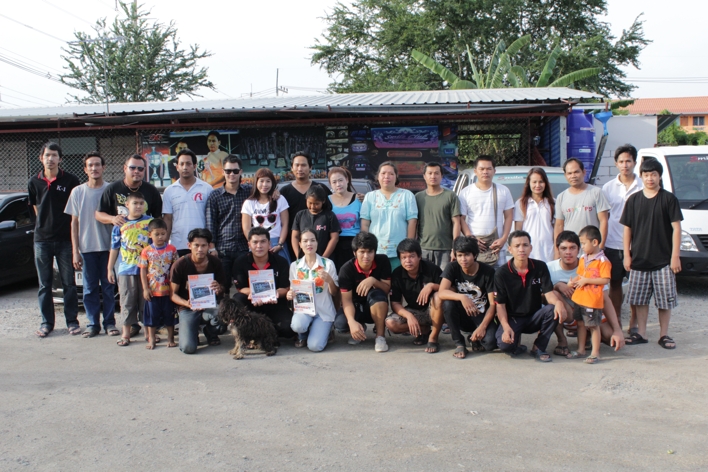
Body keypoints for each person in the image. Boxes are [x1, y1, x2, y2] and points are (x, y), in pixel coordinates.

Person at [96, 154, 163, 338]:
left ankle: (151, 329)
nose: (136, 171)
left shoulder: (151, 191)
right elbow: (98, 214)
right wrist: (113, 219)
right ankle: (130, 327)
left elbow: (158, 221)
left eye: (140, 168)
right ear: (125, 168)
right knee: (127, 297)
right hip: (125, 260)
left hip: (146, 261)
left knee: (146, 297)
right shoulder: (112, 189)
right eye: (133, 167)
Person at [621, 159, 683, 349]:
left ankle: (664, 335)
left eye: (653, 174)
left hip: (664, 260)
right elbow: (627, 229)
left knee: (665, 301)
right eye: (646, 175)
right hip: (639, 259)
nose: (650, 178)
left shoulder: (669, 199)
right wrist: (627, 255)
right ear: (641, 176)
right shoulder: (633, 200)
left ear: (659, 176)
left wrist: (675, 256)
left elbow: (677, 228)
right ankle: (641, 333)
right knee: (639, 300)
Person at [29, 142, 81, 338]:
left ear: (60, 158)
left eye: (54, 155)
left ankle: (72, 322)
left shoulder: (71, 180)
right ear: (41, 158)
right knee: (45, 284)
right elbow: (36, 208)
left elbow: (75, 211)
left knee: (69, 283)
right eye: (47, 155)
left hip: (65, 240)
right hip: (41, 240)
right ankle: (46, 323)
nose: (50, 159)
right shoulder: (34, 182)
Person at [547, 231, 625, 356]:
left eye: (572, 248)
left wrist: (617, 330)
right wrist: (557, 286)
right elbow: (541, 297)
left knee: (610, 338)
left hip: (590, 309)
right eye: (564, 248)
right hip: (567, 315)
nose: (568, 252)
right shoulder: (549, 268)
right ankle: (562, 341)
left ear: (579, 249)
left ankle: (589, 338)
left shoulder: (591, 265)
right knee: (553, 297)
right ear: (558, 249)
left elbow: (605, 299)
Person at [64, 151, 116, 338]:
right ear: (85, 169)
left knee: (108, 288)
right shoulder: (78, 192)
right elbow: (74, 223)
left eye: (97, 164)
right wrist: (75, 251)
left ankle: (110, 323)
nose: (94, 168)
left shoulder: (111, 190)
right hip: (87, 249)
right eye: (90, 165)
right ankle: (93, 324)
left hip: (109, 249)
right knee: (89, 289)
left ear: (103, 167)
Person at [494, 231, 567, 362]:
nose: (521, 249)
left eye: (525, 245)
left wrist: (559, 303)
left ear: (531, 247)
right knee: (505, 345)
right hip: (513, 318)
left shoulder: (540, 266)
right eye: (517, 246)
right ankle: (516, 345)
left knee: (552, 309)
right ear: (510, 249)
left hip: (534, 317)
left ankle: (538, 347)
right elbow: (500, 305)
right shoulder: (501, 273)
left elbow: (549, 293)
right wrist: (506, 327)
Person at [602, 144, 643, 331]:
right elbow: (604, 217)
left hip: (638, 245)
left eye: (628, 161)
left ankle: (634, 324)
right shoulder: (608, 187)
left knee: (637, 286)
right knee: (615, 283)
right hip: (613, 243)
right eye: (621, 161)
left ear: (634, 162)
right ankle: (616, 321)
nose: (625, 165)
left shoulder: (643, 185)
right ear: (616, 163)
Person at [438, 236, 497, 359]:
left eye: (467, 255)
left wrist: (482, 327)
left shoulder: (488, 272)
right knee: (448, 303)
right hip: (462, 315)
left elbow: (493, 304)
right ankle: (459, 343)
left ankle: (473, 337)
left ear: (475, 255)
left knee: (490, 344)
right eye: (459, 255)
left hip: (481, 315)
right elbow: (442, 292)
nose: (463, 259)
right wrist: (462, 297)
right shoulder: (452, 267)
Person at [170, 228, 228, 354]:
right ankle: (193, 330)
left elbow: (223, 288)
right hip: (188, 308)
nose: (200, 249)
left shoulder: (215, 262)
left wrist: (219, 288)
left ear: (209, 246)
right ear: (189, 245)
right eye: (196, 245)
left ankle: (210, 331)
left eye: (203, 245)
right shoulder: (180, 264)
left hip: (210, 305)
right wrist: (187, 303)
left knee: (222, 320)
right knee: (188, 348)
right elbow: (173, 294)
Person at [107, 192, 153, 347]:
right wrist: (110, 268)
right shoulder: (120, 225)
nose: (138, 206)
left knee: (145, 302)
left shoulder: (150, 222)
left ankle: (148, 332)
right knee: (127, 301)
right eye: (135, 203)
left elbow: (154, 246)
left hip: (146, 270)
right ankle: (126, 333)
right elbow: (114, 248)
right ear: (127, 205)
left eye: (141, 203)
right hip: (126, 270)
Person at [232, 227, 294, 339]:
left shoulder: (281, 262)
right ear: (249, 244)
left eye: (263, 242)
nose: (259, 246)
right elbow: (241, 288)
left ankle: (265, 332)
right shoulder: (240, 262)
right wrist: (256, 294)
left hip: (275, 303)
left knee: (289, 329)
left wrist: (274, 293)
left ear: (269, 244)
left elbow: (285, 288)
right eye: (255, 242)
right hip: (252, 303)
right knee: (237, 298)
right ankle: (248, 332)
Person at [335, 232, 392, 352]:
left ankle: (380, 336)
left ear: (375, 252)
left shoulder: (383, 261)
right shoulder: (346, 270)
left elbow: (386, 289)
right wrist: (351, 322)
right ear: (354, 253)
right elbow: (346, 300)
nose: (366, 256)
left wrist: (373, 281)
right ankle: (359, 328)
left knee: (378, 295)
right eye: (362, 252)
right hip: (355, 306)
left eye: (370, 252)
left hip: (376, 304)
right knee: (341, 324)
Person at [386, 239, 444, 353]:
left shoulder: (432, 269)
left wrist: (432, 286)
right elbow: (395, 303)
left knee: (438, 296)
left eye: (412, 256)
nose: (408, 261)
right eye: (404, 257)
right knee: (391, 323)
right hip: (415, 311)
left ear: (420, 256)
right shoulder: (397, 274)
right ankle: (424, 330)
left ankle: (434, 337)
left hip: (436, 310)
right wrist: (409, 316)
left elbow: (451, 289)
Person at [287, 228, 339, 352]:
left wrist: (329, 280)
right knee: (297, 325)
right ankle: (303, 335)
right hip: (304, 310)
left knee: (315, 346)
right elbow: (293, 289)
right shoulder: (295, 266)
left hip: (323, 311)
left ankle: (327, 331)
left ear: (317, 242)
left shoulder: (328, 264)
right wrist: (290, 294)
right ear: (300, 244)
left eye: (312, 240)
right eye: (305, 241)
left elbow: (334, 292)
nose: (309, 244)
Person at [205, 155, 251, 293]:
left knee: (244, 287)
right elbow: (210, 222)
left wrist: (275, 193)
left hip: (244, 247)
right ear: (223, 172)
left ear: (241, 171)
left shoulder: (249, 192)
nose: (232, 174)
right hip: (222, 249)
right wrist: (212, 248)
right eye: (228, 171)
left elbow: (266, 194)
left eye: (235, 171)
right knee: (221, 288)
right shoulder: (215, 195)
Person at [565, 225, 611, 364]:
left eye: (584, 243)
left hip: (592, 301)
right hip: (580, 299)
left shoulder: (603, 261)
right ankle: (581, 350)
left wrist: (587, 281)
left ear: (595, 242)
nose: (582, 247)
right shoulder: (583, 258)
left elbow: (605, 280)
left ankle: (595, 353)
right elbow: (580, 275)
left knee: (593, 326)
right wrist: (573, 282)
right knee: (580, 324)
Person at [458, 156, 514, 267]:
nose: (485, 172)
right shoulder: (465, 192)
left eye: (489, 169)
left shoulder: (503, 191)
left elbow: (509, 216)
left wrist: (503, 239)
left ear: (494, 171)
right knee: (475, 277)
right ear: (475, 171)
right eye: (482, 169)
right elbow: (461, 219)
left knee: (498, 276)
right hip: (474, 247)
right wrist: (471, 239)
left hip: (497, 247)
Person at [360, 161, 418, 270]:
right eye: (383, 173)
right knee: (377, 279)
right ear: (378, 176)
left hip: (400, 252)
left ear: (396, 177)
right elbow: (365, 223)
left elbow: (412, 222)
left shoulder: (407, 195)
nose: (387, 176)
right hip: (375, 251)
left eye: (391, 174)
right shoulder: (370, 197)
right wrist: (367, 247)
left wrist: (408, 248)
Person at [553, 158, 610, 257]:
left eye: (576, 172)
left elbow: (603, 221)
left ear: (583, 172)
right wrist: (557, 252)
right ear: (565, 175)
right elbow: (559, 226)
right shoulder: (561, 197)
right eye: (569, 173)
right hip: (569, 253)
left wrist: (600, 248)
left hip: (592, 252)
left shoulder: (596, 193)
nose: (573, 176)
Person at [162, 149, 213, 257]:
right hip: (177, 244)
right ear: (177, 167)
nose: (185, 167)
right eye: (182, 164)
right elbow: (168, 219)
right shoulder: (169, 191)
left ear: (194, 166)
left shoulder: (207, 188)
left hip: (201, 246)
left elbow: (211, 219)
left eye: (188, 164)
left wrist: (211, 245)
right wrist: (165, 245)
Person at [280, 151, 331, 257]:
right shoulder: (284, 192)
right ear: (292, 168)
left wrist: (357, 197)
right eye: (297, 165)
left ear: (310, 167)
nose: (300, 168)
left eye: (303, 165)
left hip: (320, 244)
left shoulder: (320, 189)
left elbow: (336, 204)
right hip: (293, 244)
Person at [139, 218, 179, 349]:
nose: (160, 237)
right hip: (153, 291)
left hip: (168, 291)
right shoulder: (146, 251)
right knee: (152, 317)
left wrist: (175, 288)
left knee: (169, 316)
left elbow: (176, 268)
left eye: (163, 233)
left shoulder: (172, 249)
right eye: (157, 234)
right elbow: (143, 270)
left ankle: (171, 338)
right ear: (150, 234)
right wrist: (145, 288)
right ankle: (152, 339)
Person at [415, 162, 461, 269]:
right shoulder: (418, 197)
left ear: (442, 176)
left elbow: (456, 223)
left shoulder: (451, 196)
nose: (433, 176)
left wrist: (455, 248)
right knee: (425, 278)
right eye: (430, 173)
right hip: (423, 248)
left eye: (436, 173)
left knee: (444, 278)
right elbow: (414, 223)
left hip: (446, 249)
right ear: (424, 176)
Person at [241, 168, 290, 262]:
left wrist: (280, 244)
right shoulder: (249, 203)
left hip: (277, 243)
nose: (265, 184)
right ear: (256, 182)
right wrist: (255, 244)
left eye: (268, 181)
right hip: (257, 244)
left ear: (272, 183)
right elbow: (246, 228)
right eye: (261, 181)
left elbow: (285, 224)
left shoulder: (280, 199)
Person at [513, 167, 556, 262]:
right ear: (529, 183)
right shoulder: (521, 203)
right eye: (534, 182)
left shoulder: (553, 203)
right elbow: (518, 230)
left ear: (546, 183)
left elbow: (556, 229)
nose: (538, 185)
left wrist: (557, 251)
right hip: (528, 252)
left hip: (548, 252)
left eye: (541, 182)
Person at [291, 185, 340, 260]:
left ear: (323, 201)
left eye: (316, 204)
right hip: (304, 259)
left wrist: (323, 258)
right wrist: (298, 256)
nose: (312, 207)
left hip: (324, 258)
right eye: (310, 203)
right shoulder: (300, 215)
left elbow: (334, 238)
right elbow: (295, 237)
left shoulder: (329, 216)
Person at [328, 166, 362, 272]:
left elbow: (365, 223)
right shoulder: (327, 201)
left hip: (355, 243)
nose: (338, 184)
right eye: (334, 182)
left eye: (340, 180)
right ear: (330, 184)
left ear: (347, 180)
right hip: (334, 244)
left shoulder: (359, 199)